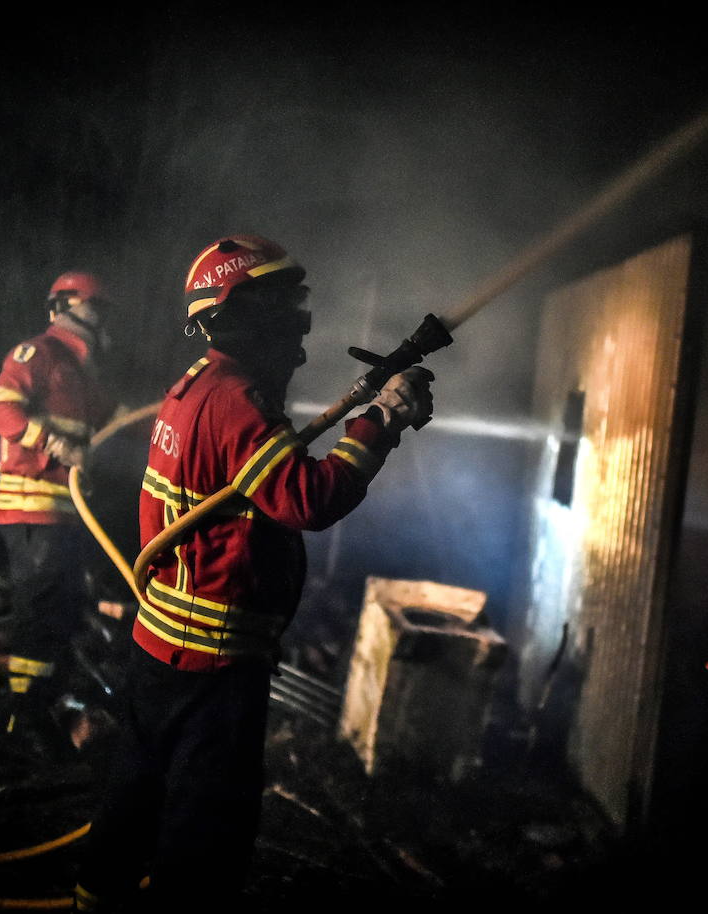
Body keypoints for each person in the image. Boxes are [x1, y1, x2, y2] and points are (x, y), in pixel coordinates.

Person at [74, 235, 435, 907]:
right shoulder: (236, 401)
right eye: (284, 303)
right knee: (206, 828)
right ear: (242, 313)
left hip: (164, 648)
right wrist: (382, 421)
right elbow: (308, 498)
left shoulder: (197, 389)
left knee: (136, 790)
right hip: (212, 659)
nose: (299, 319)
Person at [0, 271, 116, 754]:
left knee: (59, 614)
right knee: (38, 616)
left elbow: (117, 420)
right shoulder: (37, 353)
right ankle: (25, 717)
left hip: (62, 515)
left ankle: (46, 705)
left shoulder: (81, 371)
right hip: (30, 508)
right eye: (94, 306)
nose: (102, 317)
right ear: (63, 306)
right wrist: (53, 442)